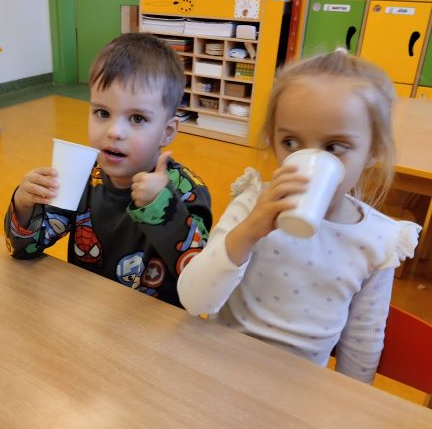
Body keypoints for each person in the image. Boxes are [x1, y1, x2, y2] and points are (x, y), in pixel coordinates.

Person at [177, 49, 421, 383]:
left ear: (373, 151)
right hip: (217, 373)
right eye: (291, 142)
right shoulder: (251, 206)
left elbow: (361, 345)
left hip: (299, 390)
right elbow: (193, 300)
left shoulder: (378, 241)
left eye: (334, 147)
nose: (310, 160)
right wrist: (249, 231)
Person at [4, 33, 211, 307]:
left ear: (167, 131)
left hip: (151, 325)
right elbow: (25, 250)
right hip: (86, 314)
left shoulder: (187, 191)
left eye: (137, 118)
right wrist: (24, 205)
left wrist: (162, 207)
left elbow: (201, 285)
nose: (114, 132)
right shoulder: (82, 175)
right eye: (102, 113)